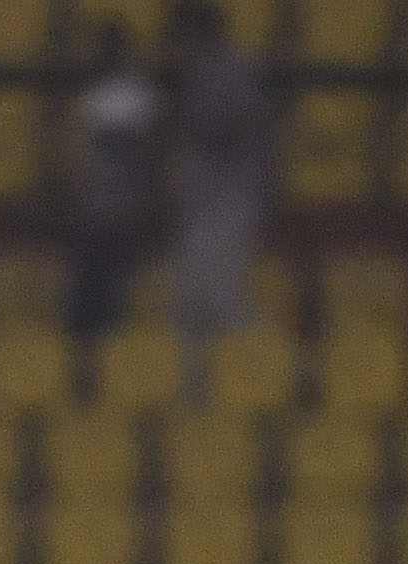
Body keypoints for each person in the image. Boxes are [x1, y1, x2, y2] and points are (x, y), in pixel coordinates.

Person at [162, 0, 271, 382]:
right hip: (199, 209)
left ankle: (249, 388)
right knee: (189, 311)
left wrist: (176, 109)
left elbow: (220, 127)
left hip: (225, 206)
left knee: (221, 304)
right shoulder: (197, 75)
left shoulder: (227, 72)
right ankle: (199, 398)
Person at [66, 19, 164, 339]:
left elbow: (147, 153)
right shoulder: (91, 95)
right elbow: (81, 152)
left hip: (123, 203)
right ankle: (90, 327)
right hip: (96, 204)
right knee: (92, 269)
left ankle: (110, 332)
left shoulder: (141, 96)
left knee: (117, 271)